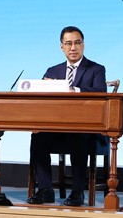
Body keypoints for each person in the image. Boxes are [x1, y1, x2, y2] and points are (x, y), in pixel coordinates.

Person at [26, 26, 107, 206]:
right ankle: (45, 190)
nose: (73, 48)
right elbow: (41, 100)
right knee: (38, 137)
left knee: (77, 135)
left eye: (77, 43)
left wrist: (73, 89)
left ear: (83, 45)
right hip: (57, 128)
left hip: (86, 130)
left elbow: (101, 93)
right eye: (68, 43)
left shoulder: (96, 69)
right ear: (61, 47)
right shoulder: (52, 71)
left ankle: (77, 192)